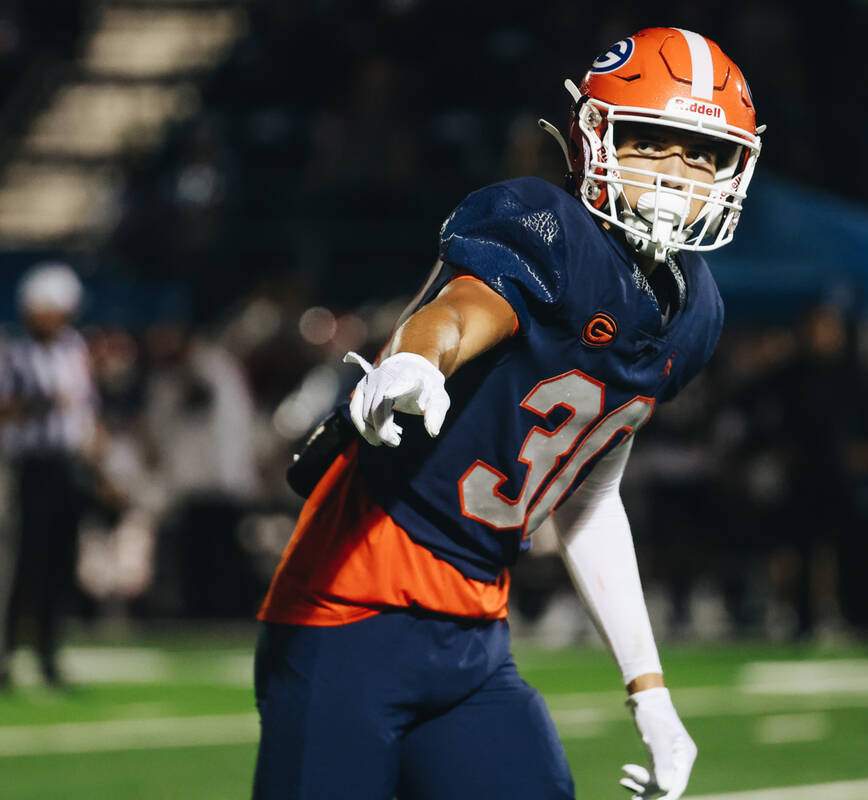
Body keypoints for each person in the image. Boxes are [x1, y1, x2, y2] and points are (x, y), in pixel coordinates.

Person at [253, 27, 762, 800]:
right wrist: (417, 363)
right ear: (598, 137)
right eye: (656, 141)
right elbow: (458, 311)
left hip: (474, 633)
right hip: (349, 609)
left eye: (703, 152)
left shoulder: (693, 315)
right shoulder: (545, 224)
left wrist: (649, 689)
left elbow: (586, 494)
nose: (681, 172)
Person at [0, 262, 99, 688]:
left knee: (61, 562)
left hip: (67, 467)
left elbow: (86, 414)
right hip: (30, 466)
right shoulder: (14, 354)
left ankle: (48, 654)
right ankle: (6, 654)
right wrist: (38, 402)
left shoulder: (74, 350)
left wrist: (101, 466)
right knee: (24, 563)